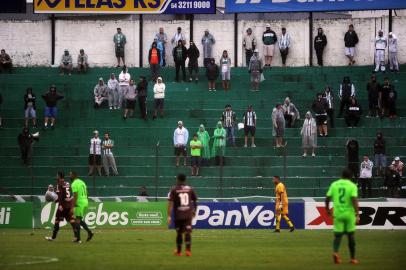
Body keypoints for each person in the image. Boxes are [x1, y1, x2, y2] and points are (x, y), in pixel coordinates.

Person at [325, 168, 359, 265]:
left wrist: (327, 210)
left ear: (341, 175)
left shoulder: (334, 184)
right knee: (351, 236)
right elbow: (354, 200)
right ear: (350, 177)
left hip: (338, 213)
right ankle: (352, 258)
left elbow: (327, 198)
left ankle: (335, 252)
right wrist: (357, 214)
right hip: (349, 214)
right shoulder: (352, 185)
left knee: (338, 236)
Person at [167, 173, 197, 257]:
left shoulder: (174, 190)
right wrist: (194, 211)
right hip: (188, 214)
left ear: (177, 179)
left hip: (178, 215)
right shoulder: (190, 189)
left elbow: (170, 203)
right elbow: (195, 200)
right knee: (187, 232)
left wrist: (169, 215)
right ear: (185, 180)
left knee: (179, 233)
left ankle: (179, 252)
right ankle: (188, 251)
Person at [45, 172, 75, 241]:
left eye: (57, 175)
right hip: (69, 205)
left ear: (59, 176)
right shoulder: (67, 184)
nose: (56, 176)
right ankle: (77, 237)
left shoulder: (59, 184)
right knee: (72, 220)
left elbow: (60, 196)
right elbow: (69, 194)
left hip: (62, 205)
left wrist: (60, 204)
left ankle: (53, 237)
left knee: (57, 221)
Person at [70, 171, 93, 243]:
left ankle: (78, 238)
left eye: (70, 175)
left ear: (74, 176)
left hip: (79, 202)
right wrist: (85, 200)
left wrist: (72, 206)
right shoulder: (82, 182)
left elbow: (75, 195)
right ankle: (89, 233)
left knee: (77, 220)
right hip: (85, 201)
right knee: (78, 219)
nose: (69, 176)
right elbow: (87, 192)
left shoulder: (74, 184)